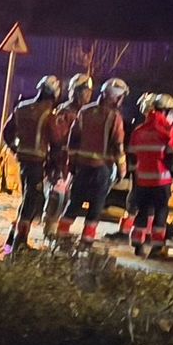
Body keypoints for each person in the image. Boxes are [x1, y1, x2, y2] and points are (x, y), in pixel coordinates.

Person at [57, 78, 128, 248]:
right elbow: (118, 146)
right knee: (95, 207)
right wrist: (122, 168)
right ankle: (85, 243)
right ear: (116, 98)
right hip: (101, 170)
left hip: (81, 167)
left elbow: (72, 141)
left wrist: (72, 164)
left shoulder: (84, 112)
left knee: (74, 203)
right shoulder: (114, 117)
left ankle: (61, 238)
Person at [1, 75, 62, 252]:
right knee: (31, 202)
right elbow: (56, 142)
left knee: (27, 199)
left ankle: (13, 238)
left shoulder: (22, 107)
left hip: (23, 161)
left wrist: (15, 148)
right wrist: (55, 166)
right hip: (36, 163)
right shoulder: (48, 114)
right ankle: (19, 242)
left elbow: (7, 132)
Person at [127, 92, 173, 258]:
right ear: (164, 111)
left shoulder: (139, 131)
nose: (172, 117)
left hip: (143, 181)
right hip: (161, 181)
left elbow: (131, 157)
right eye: (171, 113)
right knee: (160, 213)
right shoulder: (167, 130)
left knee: (143, 212)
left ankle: (137, 243)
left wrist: (136, 178)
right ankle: (158, 247)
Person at [41, 74, 93, 243]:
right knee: (56, 198)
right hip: (59, 163)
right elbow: (57, 139)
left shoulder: (86, 113)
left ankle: (58, 235)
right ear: (76, 92)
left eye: (89, 91)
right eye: (85, 91)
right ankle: (49, 232)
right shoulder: (65, 112)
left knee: (67, 200)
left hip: (72, 165)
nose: (88, 95)